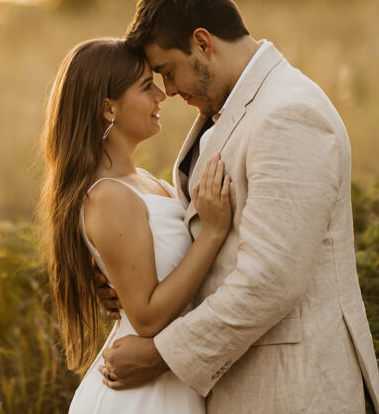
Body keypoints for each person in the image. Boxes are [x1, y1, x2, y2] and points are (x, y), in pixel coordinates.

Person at [97, 0, 379, 413]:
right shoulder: (233, 107)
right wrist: (134, 283)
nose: (169, 90)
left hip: (295, 390)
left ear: (202, 43)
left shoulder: (289, 113)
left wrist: (161, 355)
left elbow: (271, 279)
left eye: (168, 71)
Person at [38, 37, 234, 413]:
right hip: (142, 391)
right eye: (146, 87)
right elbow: (144, 317)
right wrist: (212, 232)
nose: (162, 95)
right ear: (108, 108)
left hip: (172, 377)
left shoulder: (148, 182)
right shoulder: (108, 196)